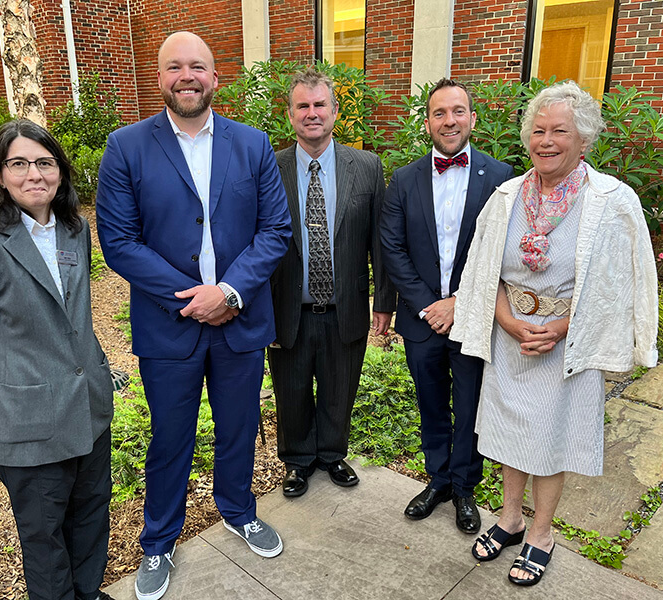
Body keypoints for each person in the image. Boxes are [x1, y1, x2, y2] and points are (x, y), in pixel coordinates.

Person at [95, 31, 291, 600]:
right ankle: (158, 543)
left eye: (198, 66)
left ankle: (238, 510)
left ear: (214, 76)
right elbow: (120, 242)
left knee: (237, 429)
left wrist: (228, 292)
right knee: (170, 438)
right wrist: (195, 297)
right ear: (159, 77)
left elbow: (275, 230)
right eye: (175, 67)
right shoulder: (126, 146)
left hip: (240, 322)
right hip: (169, 327)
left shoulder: (251, 145)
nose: (188, 76)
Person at [450, 80, 658, 586]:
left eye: (559, 131)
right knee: (507, 436)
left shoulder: (612, 201)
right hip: (511, 336)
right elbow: (483, 273)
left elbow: (620, 282)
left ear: (583, 138)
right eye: (538, 130)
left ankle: (541, 534)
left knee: (549, 441)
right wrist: (506, 320)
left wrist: (560, 327)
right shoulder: (504, 197)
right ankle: (510, 519)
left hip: (567, 343)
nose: (546, 140)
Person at [0, 119, 115, 600]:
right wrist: (15, 383)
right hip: (31, 421)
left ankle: (87, 592)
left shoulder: (74, 230)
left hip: (89, 408)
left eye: (44, 162)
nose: (34, 173)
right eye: (18, 163)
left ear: (59, 172)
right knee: (44, 538)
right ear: (0, 174)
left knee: (90, 517)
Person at [380, 78, 514, 533]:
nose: (449, 120)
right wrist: (428, 306)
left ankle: (464, 486)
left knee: (470, 402)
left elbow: (502, 253)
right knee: (430, 401)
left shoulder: (501, 179)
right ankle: (437, 479)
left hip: (474, 317)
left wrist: (458, 302)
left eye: (458, 111)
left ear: (473, 119)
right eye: (440, 113)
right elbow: (392, 249)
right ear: (427, 122)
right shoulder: (403, 178)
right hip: (422, 320)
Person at [269, 68, 396, 497]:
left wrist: (385, 300)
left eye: (319, 104)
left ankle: (332, 453)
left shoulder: (366, 166)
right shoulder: (271, 167)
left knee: (340, 387)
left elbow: (380, 238)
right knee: (291, 390)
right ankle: (298, 461)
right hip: (287, 305)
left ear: (335, 111)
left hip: (347, 303)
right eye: (302, 106)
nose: (312, 113)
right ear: (290, 116)